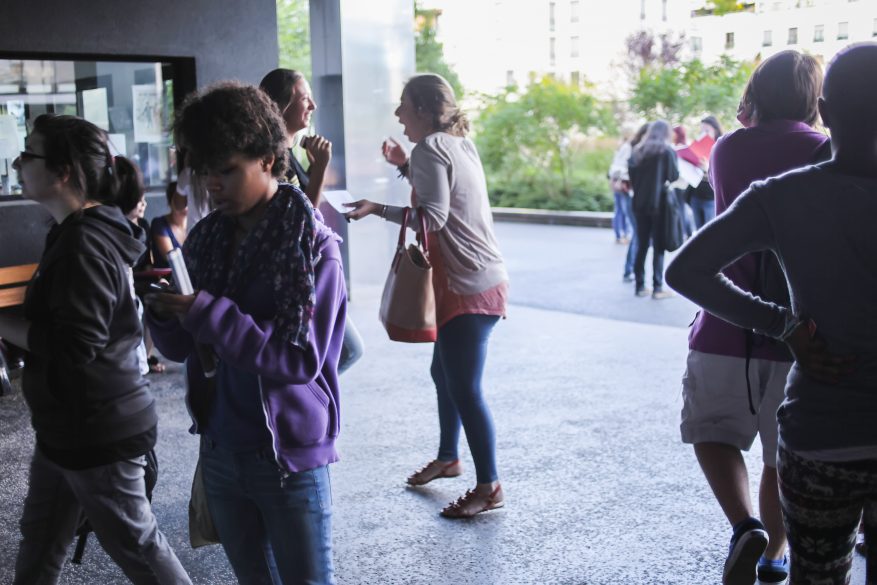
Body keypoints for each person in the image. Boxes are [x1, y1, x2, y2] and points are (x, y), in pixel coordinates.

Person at [146, 81, 345, 584]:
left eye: (227, 170)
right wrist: (164, 311)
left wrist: (206, 312)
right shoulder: (208, 238)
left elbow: (300, 360)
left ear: (266, 155)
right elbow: (180, 349)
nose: (213, 184)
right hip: (219, 451)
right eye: (206, 171)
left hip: (286, 460)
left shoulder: (313, 245)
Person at [0, 114, 191, 584]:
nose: (20, 162)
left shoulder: (84, 241)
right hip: (69, 424)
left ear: (62, 171)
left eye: (29, 154)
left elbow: (73, 345)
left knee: (138, 547)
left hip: (97, 429)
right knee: (42, 538)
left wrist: (2, 322)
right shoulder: (77, 230)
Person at [666, 49, 833, 585]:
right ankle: (774, 554)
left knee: (712, 433)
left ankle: (744, 527)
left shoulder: (728, 148)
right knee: (779, 456)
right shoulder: (824, 148)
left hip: (724, 319)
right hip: (797, 331)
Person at [345, 73, 509, 518]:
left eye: (403, 106)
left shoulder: (430, 148)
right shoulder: (456, 144)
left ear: (421, 110)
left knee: (465, 387)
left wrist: (375, 207)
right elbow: (445, 196)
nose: (397, 115)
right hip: (478, 277)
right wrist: (404, 166)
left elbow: (432, 218)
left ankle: (489, 485)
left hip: (467, 283)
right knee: (444, 374)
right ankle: (449, 458)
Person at [260, 68, 364, 375]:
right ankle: (303, 404)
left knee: (344, 351)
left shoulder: (287, 153)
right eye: (305, 99)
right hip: (296, 274)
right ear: (281, 106)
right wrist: (319, 169)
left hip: (308, 271)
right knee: (348, 350)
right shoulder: (272, 157)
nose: (313, 106)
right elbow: (301, 217)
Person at [115, 156, 166, 375]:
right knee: (148, 300)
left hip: (142, 278)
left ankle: (146, 354)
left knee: (159, 295)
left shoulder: (143, 226)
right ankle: (143, 356)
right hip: (132, 280)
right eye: (139, 199)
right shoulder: (116, 228)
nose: (144, 204)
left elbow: (146, 261)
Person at [628, 119, 679, 299]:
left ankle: (640, 286)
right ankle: (658, 288)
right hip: (659, 204)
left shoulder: (637, 151)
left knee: (641, 245)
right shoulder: (666, 151)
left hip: (639, 204)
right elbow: (673, 176)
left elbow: (632, 178)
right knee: (658, 246)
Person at [621, 123, 649, 283]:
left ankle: (630, 270)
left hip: (636, 197)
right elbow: (617, 169)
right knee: (638, 235)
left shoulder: (645, 150)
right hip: (631, 196)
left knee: (638, 235)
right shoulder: (631, 149)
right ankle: (629, 270)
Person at [685, 115, 723, 230]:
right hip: (695, 195)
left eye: (707, 130)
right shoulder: (696, 147)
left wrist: (707, 168)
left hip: (711, 198)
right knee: (698, 232)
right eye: (701, 130)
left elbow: (722, 176)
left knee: (710, 233)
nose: (703, 133)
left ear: (715, 131)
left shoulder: (721, 148)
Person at [150, 180, 187, 268]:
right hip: (167, 278)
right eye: (180, 199)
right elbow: (172, 259)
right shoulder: (159, 224)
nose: (185, 203)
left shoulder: (195, 224)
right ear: (171, 201)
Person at [608, 128, 634, 245]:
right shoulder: (627, 147)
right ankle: (625, 235)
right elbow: (624, 165)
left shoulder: (620, 146)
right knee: (625, 210)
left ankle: (619, 234)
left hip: (615, 181)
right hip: (623, 182)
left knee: (618, 209)